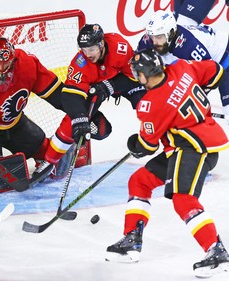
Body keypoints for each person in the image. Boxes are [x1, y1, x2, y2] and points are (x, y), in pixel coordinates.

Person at [105, 48, 229, 278]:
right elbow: (215, 71)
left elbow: (148, 145)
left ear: (144, 74)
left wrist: (136, 143)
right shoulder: (181, 68)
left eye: (137, 73)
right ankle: (132, 240)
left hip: (192, 147)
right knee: (140, 181)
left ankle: (216, 251)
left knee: (183, 199)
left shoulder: (151, 103)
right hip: (197, 142)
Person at [31, 23, 148, 184]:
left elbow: (134, 76)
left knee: (148, 103)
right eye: (84, 50)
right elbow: (70, 96)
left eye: (91, 49)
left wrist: (111, 85)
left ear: (101, 44)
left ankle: (158, 138)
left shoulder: (119, 47)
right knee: (90, 127)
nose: (87, 54)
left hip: (122, 83)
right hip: (96, 90)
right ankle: (49, 161)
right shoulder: (80, 63)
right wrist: (79, 119)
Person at [0, 37, 70, 183]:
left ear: (14, 59)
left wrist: (77, 109)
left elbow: (53, 91)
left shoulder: (27, 63)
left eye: (7, 63)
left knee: (41, 145)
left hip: (14, 122)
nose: (2, 68)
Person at [137, 10, 229, 123]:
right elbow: (138, 62)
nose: (154, 41)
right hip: (204, 59)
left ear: (171, 33)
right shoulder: (149, 41)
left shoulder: (188, 46)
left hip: (224, 57)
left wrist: (185, 101)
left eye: (159, 37)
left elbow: (210, 75)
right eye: (152, 36)